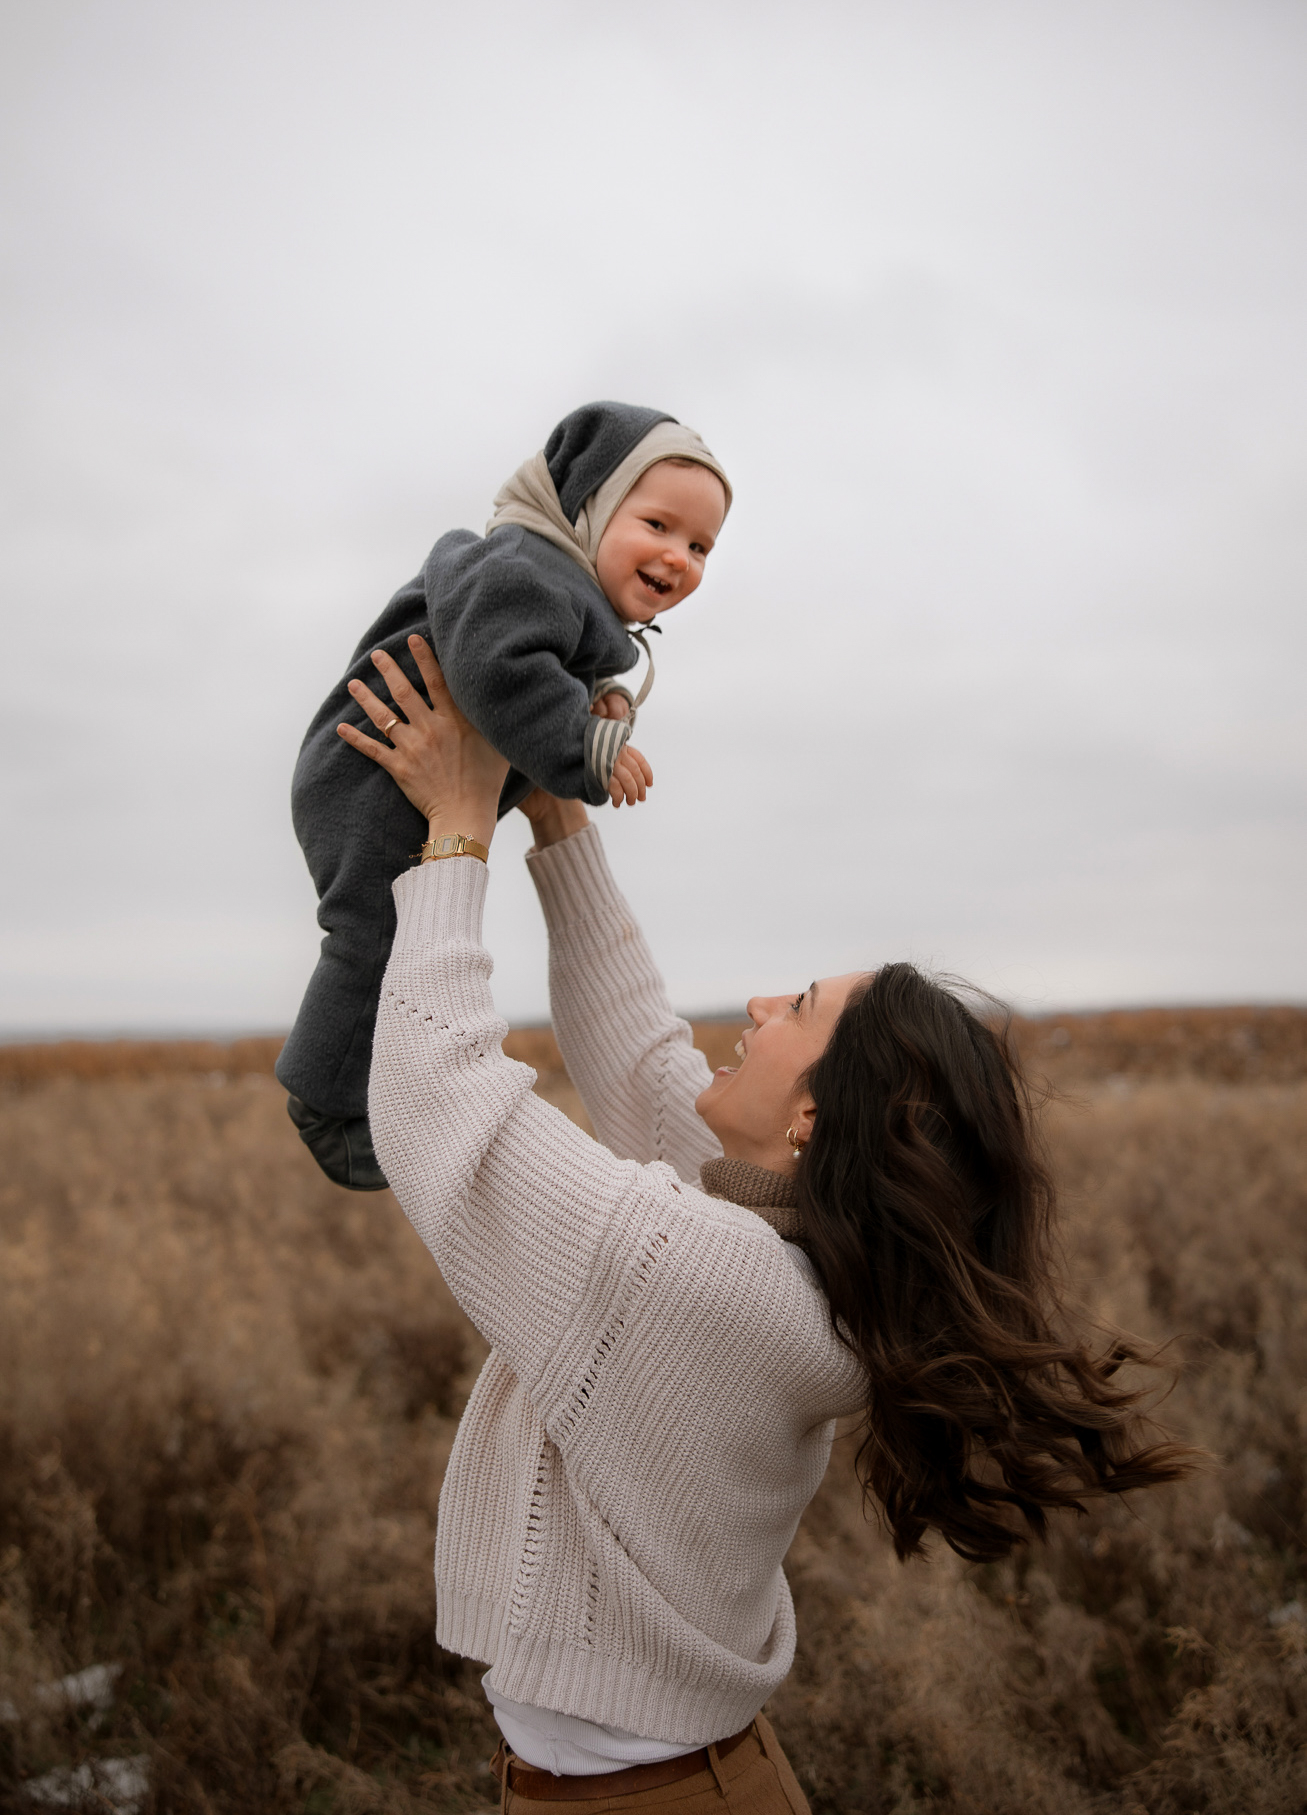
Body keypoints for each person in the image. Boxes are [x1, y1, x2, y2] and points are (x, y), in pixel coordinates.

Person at [340, 637, 1193, 1814]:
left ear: (813, 1117)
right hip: (664, 1780)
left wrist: (454, 828)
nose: (752, 1005)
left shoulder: (703, 1277)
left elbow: (438, 1097)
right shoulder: (782, 1255)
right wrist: (552, 807)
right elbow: (642, 1052)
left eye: (794, 1007)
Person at [276, 401, 731, 1191]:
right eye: (657, 525)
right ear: (585, 508)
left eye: (699, 545)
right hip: (369, 775)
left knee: (407, 944)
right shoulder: (524, 569)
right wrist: (581, 748)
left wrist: (603, 701)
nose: (679, 557)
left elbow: (546, 668)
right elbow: (498, 668)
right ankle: (325, 1102)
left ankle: (381, 1094)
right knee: (370, 932)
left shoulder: (563, 592)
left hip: (408, 779)